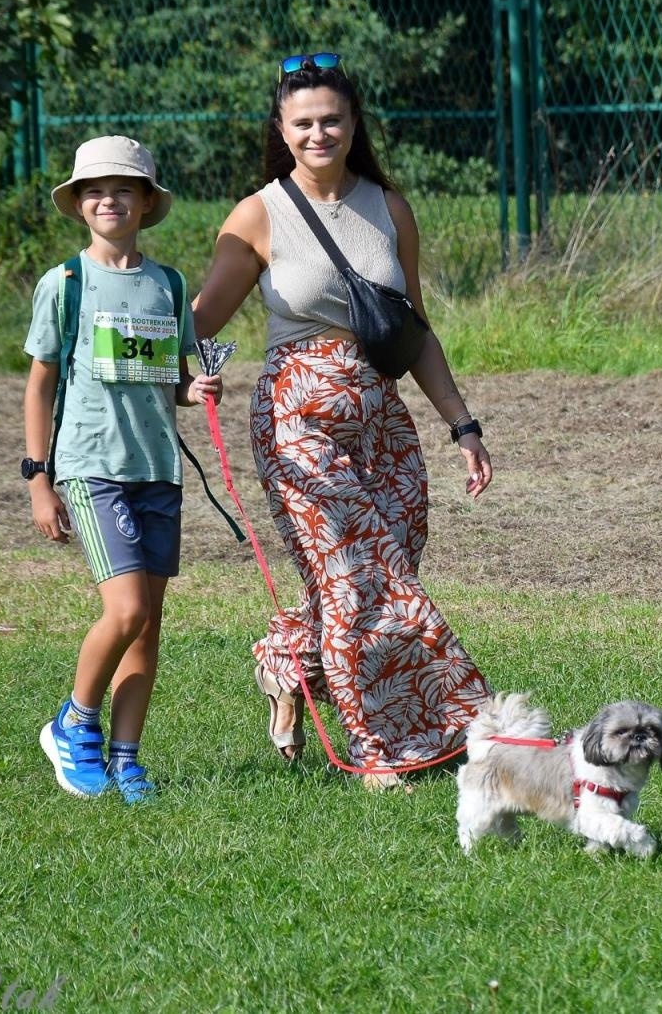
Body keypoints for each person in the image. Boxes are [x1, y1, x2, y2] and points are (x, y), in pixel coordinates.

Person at [192, 53, 492, 790]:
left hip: (382, 418)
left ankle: (287, 667)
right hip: (298, 418)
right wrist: (191, 369)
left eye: (332, 119)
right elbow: (199, 322)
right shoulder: (258, 213)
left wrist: (462, 425)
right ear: (282, 131)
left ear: (355, 125)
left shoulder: (388, 207)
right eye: (303, 122)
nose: (318, 132)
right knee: (360, 580)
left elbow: (413, 329)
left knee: (383, 567)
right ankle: (378, 747)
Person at [23, 135, 222, 804]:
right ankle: (72, 724)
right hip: (90, 467)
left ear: (145, 203)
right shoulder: (65, 284)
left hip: (158, 470)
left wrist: (199, 391)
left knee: (149, 621)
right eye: (94, 190)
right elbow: (39, 384)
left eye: (123, 189)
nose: (108, 199)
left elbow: (175, 379)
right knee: (127, 607)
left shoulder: (167, 284)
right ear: (79, 205)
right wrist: (37, 478)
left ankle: (126, 759)